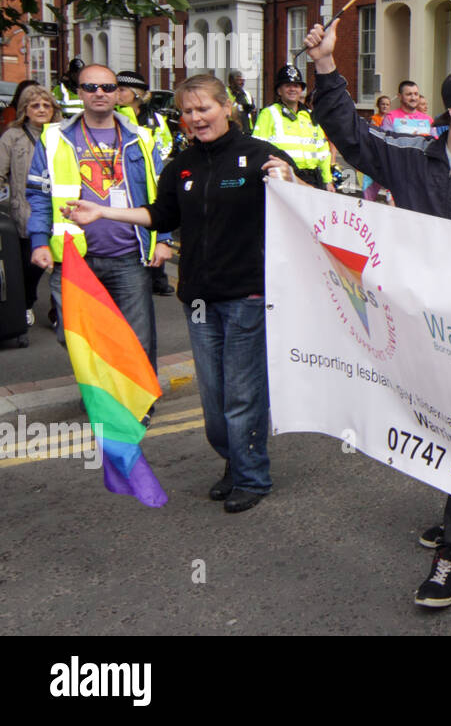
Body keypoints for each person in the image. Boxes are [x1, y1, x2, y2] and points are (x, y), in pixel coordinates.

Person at [303, 18, 451, 608]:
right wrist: (326, 66)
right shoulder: (410, 155)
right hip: (419, 330)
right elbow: (347, 132)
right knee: (441, 426)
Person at [62, 74, 299, 513]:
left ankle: (252, 475)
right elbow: (159, 213)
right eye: (188, 112)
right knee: (213, 400)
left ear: (226, 108)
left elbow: (304, 202)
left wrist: (290, 180)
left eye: (204, 108)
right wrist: (102, 212)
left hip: (248, 294)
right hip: (198, 297)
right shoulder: (183, 165)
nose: (195, 118)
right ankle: (234, 460)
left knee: (242, 394)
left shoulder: (259, 155)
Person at [26, 64, 172, 366]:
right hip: (73, 257)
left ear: (118, 93)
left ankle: (137, 409)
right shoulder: (54, 137)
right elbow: (38, 195)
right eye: (90, 87)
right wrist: (39, 241)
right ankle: (102, 399)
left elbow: (160, 194)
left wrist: (164, 238)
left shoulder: (141, 137)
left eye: (107, 87)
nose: (99, 93)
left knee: (138, 338)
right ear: (80, 93)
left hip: (129, 256)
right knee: (78, 338)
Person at [0, 85, 59, 326]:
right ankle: (25, 303)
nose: (42, 109)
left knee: (63, 267)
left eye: (46, 105)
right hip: (26, 213)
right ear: (25, 109)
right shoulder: (12, 137)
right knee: (30, 267)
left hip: (62, 212)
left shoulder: (62, 134)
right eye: (35, 105)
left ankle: (58, 311)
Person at [116, 70, 176, 296]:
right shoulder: (116, 116)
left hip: (153, 173)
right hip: (129, 174)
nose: (118, 94)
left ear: (137, 94)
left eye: (123, 90)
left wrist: (154, 159)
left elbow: (165, 141)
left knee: (156, 221)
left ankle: (158, 277)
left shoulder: (155, 118)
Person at [252, 63, 334, 190]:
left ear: (301, 90)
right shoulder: (269, 114)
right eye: (287, 85)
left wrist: (328, 180)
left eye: (296, 86)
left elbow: (322, 151)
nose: (292, 89)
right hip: (284, 177)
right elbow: (258, 149)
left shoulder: (311, 116)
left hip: (313, 179)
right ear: (279, 90)